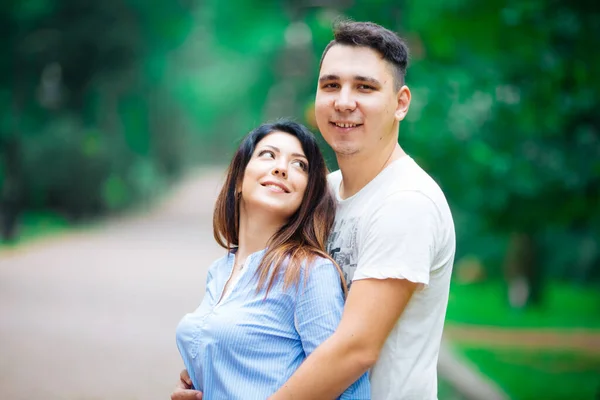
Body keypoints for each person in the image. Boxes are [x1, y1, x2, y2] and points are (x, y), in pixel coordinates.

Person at [174, 20, 455, 400]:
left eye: (365, 87)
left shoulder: (406, 202)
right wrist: (218, 361)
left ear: (400, 103)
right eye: (331, 85)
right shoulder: (324, 192)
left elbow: (353, 351)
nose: (343, 101)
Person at [173, 119, 370, 400]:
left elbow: (350, 391)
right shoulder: (219, 271)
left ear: (307, 195)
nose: (281, 168)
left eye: (299, 165)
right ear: (239, 179)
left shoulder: (310, 271)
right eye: (268, 155)